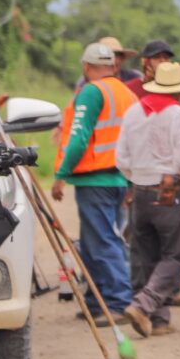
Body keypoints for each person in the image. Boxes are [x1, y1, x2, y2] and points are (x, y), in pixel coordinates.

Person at [53, 43, 138, 323]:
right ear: (113, 65)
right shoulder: (126, 93)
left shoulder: (91, 91)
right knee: (94, 242)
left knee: (103, 241)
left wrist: (62, 175)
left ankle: (117, 302)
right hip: (118, 178)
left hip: (95, 178)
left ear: (86, 67)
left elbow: (78, 137)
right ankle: (96, 300)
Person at [115, 62, 180, 337]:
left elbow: (121, 159)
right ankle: (144, 304)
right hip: (168, 191)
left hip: (140, 190)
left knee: (147, 254)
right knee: (174, 255)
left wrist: (138, 175)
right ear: (179, 91)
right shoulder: (177, 113)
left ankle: (160, 320)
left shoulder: (132, 112)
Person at [126, 40, 180, 124]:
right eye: (156, 57)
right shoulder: (130, 88)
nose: (162, 61)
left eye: (166, 57)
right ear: (145, 62)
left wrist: (176, 86)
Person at [73, 36, 142, 90]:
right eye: (107, 57)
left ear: (122, 58)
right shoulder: (85, 81)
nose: (112, 61)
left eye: (116, 55)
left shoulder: (135, 76)